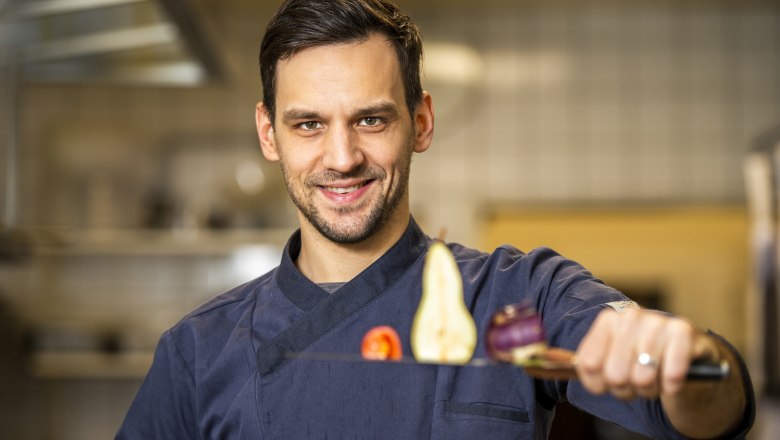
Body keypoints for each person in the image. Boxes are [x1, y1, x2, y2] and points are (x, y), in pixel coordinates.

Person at [117, 0, 755, 438]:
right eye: (309, 124)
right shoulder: (198, 352)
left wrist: (688, 358)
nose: (342, 158)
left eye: (371, 119)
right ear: (268, 133)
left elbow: (714, 411)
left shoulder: (518, 298)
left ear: (420, 121)